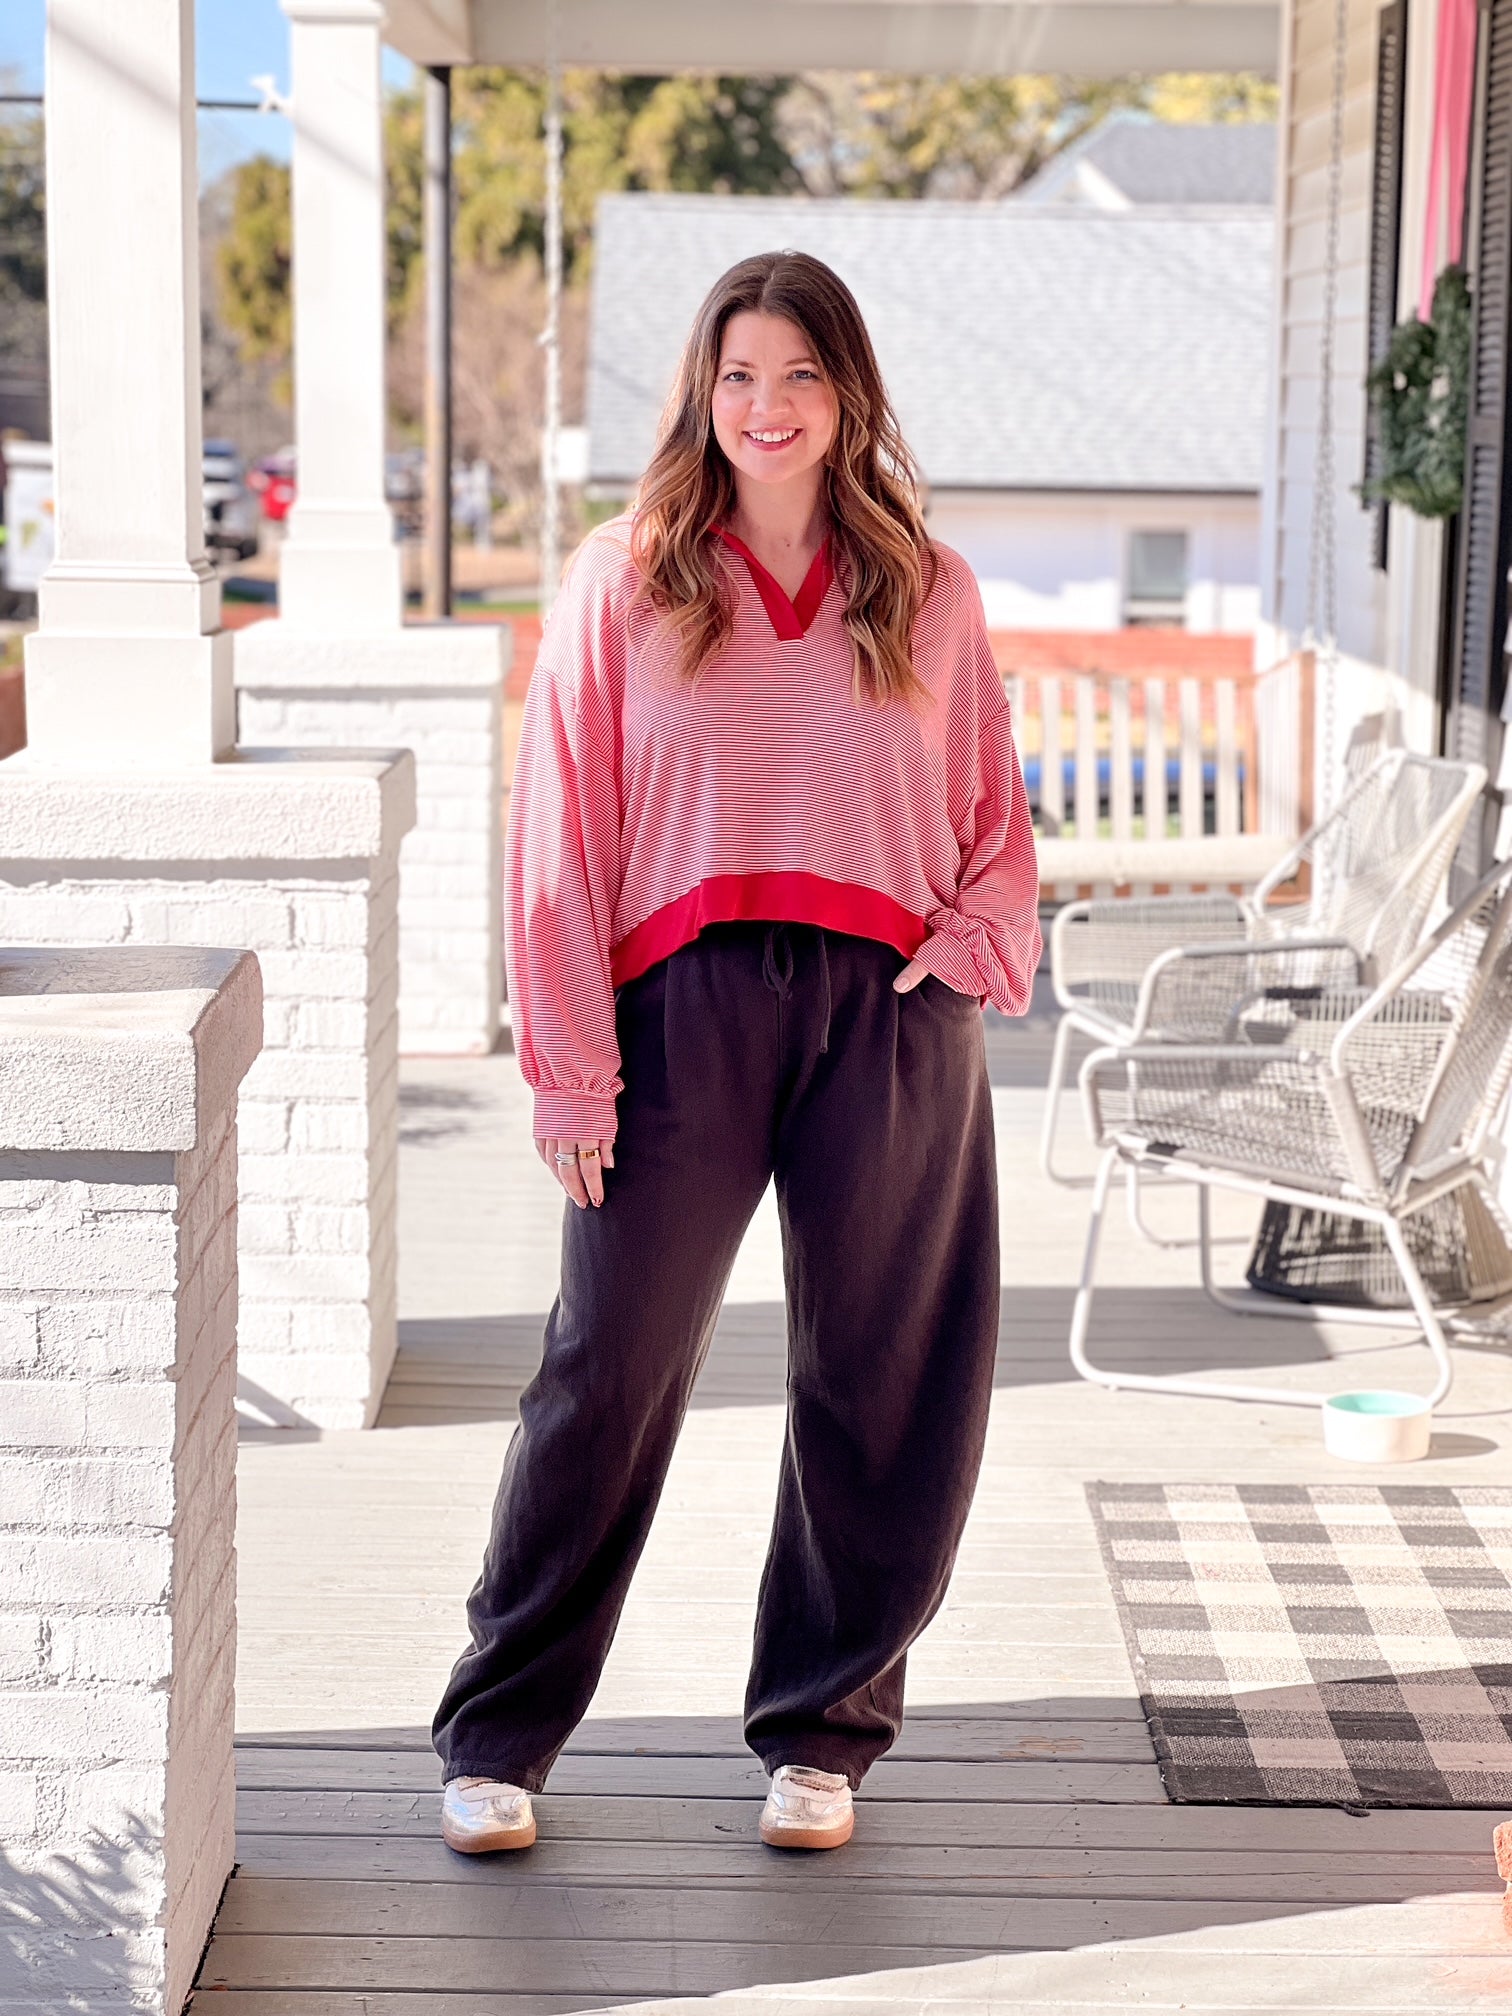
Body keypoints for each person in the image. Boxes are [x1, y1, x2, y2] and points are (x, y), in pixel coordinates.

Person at [433, 249, 1041, 1856]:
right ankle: (499, 1735)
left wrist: (964, 957)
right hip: (679, 1006)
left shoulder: (930, 584)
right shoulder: (625, 573)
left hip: (887, 1012)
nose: (766, 408)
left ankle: (823, 1734)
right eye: (738, 375)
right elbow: (559, 834)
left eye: (801, 376)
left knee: (882, 1375)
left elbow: (993, 819)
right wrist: (573, 1064)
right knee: (607, 1365)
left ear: (849, 397)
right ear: (703, 393)